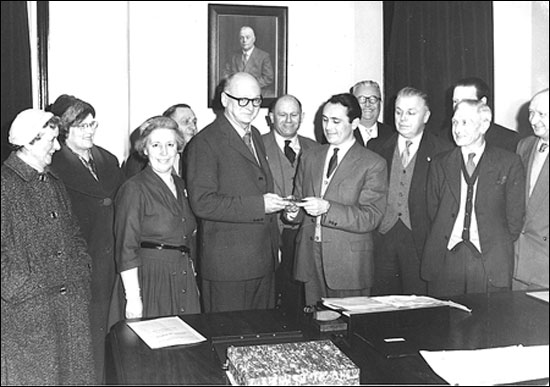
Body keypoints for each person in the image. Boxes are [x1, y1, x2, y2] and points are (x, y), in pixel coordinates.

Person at [1, 109, 94, 384]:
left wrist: (81, 270)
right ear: (28, 142)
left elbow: (75, 236)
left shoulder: (53, 182)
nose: (57, 146)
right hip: (28, 314)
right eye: (50, 140)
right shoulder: (4, 187)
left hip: (69, 309)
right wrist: (24, 289)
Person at [186, 72, 288, 312]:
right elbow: (203, 203)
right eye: (242, 99)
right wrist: (259, 206)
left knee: (259, 340)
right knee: (229, 342)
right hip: (229, 268)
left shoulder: (255, 137)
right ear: (224, 100)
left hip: (263, 262)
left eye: (255, 100)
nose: (250, 107)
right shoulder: (205, 142)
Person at [48, 95, 124, 383]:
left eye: (92, 123)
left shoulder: (109, 159)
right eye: (81, 126)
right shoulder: (52, 165)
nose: (89, 131)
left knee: (112, 332)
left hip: (113, 261)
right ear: (63, 129)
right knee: (85, 339)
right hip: (81, 265)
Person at [286, 93, 388, 306]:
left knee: (349, 331)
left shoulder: (373, 163)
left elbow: (370, 217)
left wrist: (327, 208)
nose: (328, 127)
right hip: (310, 260)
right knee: (316, 328)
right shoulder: (310, 156)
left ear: (355, 123)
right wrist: (292, 211)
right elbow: (298, 200)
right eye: (324, 120)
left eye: (336, 121)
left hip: (349, 264)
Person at [422, 100, 525, 297]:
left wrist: (491, 242)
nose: (457, 129)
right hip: (445, 260)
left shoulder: (508, 163)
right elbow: (432, 210)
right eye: (454, 122)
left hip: (488, 262)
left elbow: (514, 219)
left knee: (488, 323)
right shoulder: (440, 162)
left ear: (484, 124)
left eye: (465, 122)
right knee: (445, 323)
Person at [108, 116, 200, 325]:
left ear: (178, 147)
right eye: (156, 145)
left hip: (181, 275)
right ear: (145, 149)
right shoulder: (134, 188)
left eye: (170, 144)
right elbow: (126, 246)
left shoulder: (180, 184)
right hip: (150, 279)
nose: (164, 152)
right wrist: (133, 298)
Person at [375, 87, 453, 295]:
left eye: (411, 113)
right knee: (380, 308)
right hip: (382, 238)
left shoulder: (443, 151)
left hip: (420, 241)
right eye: (398, 111)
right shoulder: (377, 147)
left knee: (417, 310)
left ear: (426, 116)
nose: (403, 118)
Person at [262, 94, 320, 315]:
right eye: (282, 114)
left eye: (294, 114)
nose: (288, 120)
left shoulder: (315, 148)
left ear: (302, 116)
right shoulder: (257, 146)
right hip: (271, 233)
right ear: (270, 117)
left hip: (304, 234)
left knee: (302, 300)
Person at [513, 88, 549, 290]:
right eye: (531, 113)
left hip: (545, 266)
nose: (534, 120)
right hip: (517, 260)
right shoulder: (524, 146)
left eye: (542, 114)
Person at [442, 77, 519, 152]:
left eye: (466, 101)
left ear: (483, 102)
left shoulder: (508, 140)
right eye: (455, 101)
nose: (459, 106)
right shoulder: (442, 139)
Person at [122, 103, 198, 178]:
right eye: (185, 122)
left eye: (194, 122)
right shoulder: (138, 161)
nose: (193, 127)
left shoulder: (197, 156)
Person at [223, 26, 274, 94]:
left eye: (247, 37)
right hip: (236, 92)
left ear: (253, 39)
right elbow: (226, 74)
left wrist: (249, 85)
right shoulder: (234, 56)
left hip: (255, 92)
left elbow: (268, 78)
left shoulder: (263, 56)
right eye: (241, 38)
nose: (244, 40)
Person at [350, 80, 394, 154]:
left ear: (380, 103)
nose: (367, 104)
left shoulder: (392, 135)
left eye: (373, 99)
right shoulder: (344, 133)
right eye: (362, 99)